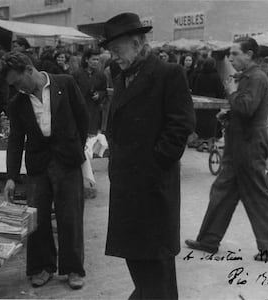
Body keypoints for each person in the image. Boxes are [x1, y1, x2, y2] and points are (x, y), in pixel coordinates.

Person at [101, 12, 195, 299]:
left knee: (156, 262)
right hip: (127, 184)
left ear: (138, 42)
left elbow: (181, 125)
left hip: (153, 186)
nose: (114, 57)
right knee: (137, 257)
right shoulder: (122, 76)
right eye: (111, 51)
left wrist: (155, 163)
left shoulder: (168, 74)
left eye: (117, 50)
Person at [185, 37, 268, 261]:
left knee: (256, 194)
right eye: (230, 54)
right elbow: (245, 108)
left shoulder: (256, 77)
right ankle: (208, 240)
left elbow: (247, 107)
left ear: (249, 55)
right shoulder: (249, 77)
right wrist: (228, 114)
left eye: (235, 54)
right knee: (222, 192)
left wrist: (231, 91)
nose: (230, 58)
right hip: (238, 142)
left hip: (250, 143)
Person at [1, 51, 89, 290]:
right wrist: (10, 176)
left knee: (70, 216)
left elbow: (83, 119)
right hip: (38, 165)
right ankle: (42, 267)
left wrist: (75, 150)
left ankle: (73, 269)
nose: (18, 88)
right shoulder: (17, 102)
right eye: (13, 85)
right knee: (36, 219)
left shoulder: (66, 83)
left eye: (18, 82)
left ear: (29, 70)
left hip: (67, 161)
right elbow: (16, 140)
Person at [72, 49, 107, 136]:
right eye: (93, 59)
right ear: (87, 60)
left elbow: (104, 90)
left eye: (97, 60)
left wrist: (99, 95)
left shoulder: (101, 76)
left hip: (93, 109)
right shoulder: (77, 74)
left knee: (91, 137)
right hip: (79, 109)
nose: (96, 62)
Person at [192, 57, 226, 139]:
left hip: (200, 101)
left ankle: (199, 139)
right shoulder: (216, 76)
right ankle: (210, 139)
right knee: (211, 122)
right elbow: (220, 90)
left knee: (200, 121)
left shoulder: (200, 75)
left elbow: (195, 89)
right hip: (213, 102)